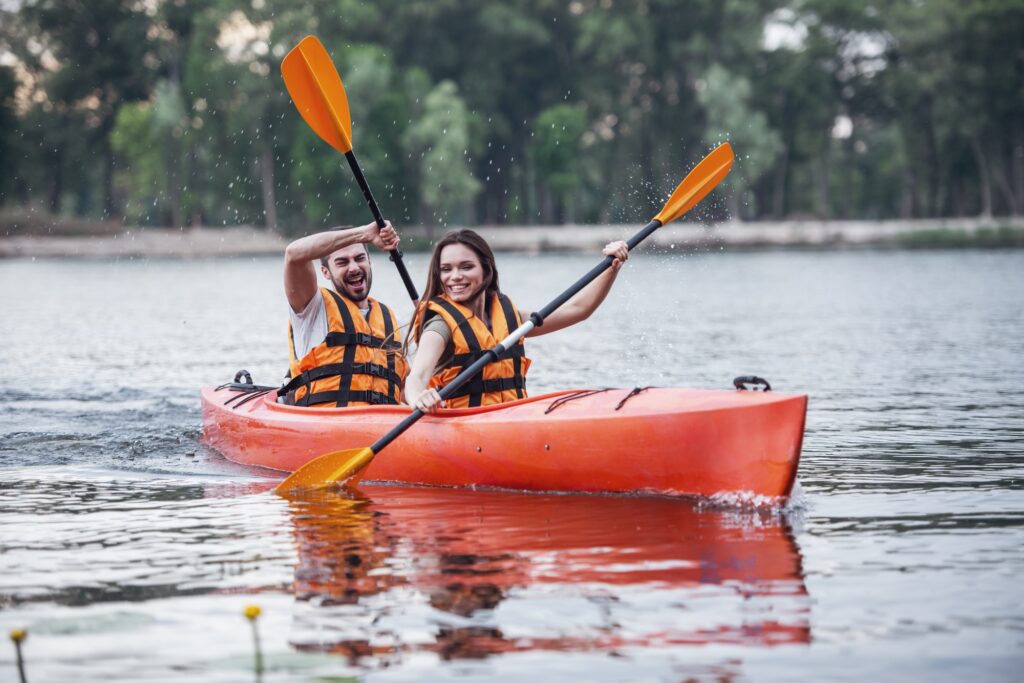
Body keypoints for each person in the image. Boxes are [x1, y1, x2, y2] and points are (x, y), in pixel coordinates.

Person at [405, 229, 629, 412]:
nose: (455, 276)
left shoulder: (511, 318)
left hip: (510, 419)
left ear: (486, 270)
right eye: (446, 269)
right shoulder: (439, 326)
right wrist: (419, 398)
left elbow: (578, 309)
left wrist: (611, 267)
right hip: (463, 426)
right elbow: (418, 376)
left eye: (466, 267)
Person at [280, 221, 410, 407]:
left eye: (359, 258)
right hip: (327, 427)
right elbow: (294, 255)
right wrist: (364, 234)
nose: (354, 268)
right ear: (325, 272)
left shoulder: (389, 320)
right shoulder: (312, 308)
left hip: (384, 426)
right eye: (342, 262)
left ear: (369, 261)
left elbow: (405, 386)